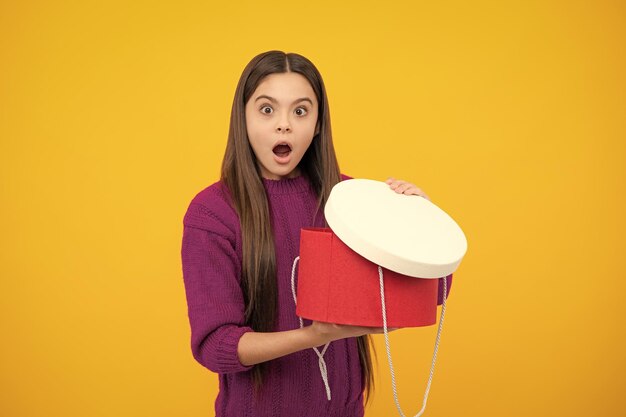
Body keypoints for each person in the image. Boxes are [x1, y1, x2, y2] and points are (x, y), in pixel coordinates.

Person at [180, 50, 450, 416]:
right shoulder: (213, 213)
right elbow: (217, 346)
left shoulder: (351, 200)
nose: (284, 125)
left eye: (300, 111)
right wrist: (315, 335)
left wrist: (422, 227)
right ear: (241, 117)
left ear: (318, 122)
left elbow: (423, 297)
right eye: (266, 109)